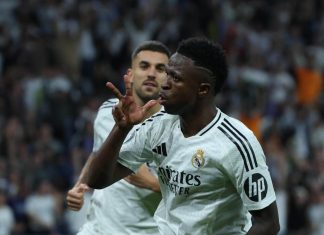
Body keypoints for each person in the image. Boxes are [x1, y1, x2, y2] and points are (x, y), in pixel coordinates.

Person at [86, 37, 280, 235]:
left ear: (202, 89)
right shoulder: (159, 126)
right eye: (167, 74)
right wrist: (121, 128)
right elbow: (97, 180)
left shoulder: (236, 143)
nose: (165, 84)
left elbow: (268, 223)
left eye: (176, 78)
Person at [66, 40, 170, 234]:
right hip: (98, 228)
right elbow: (99, 152)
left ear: (168, 77)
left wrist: (159, 187)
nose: (151, 73)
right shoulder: (109, 111)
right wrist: (80, 185)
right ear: (130, 74)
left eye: (160, 68)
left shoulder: (176, 125)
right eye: (144, 66)